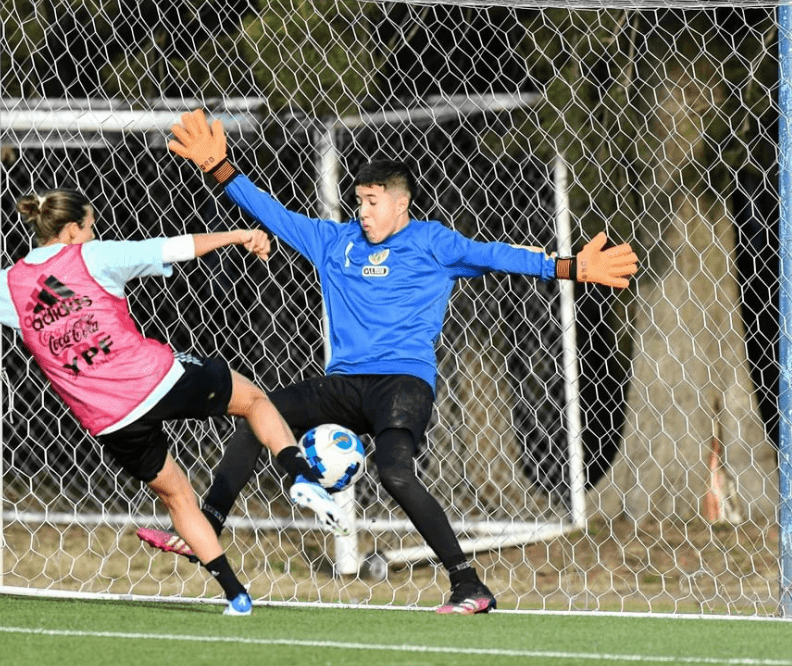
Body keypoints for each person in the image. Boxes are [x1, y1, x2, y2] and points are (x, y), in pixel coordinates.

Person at [152, 109, 639, 615]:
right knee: (257, 414)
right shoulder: (335, 242)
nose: (363, 211)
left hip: (402, 383)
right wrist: (222, 171)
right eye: (359, 201)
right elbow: (272, 212)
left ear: (401, 204)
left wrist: (571, 266)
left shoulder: (431, 241)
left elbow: (499, 254)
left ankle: (468, 583)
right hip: (344, 384)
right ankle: (207, 523)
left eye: (373, 201)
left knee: (395, 474)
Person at [0, 188, 348, 616]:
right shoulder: (94, 257)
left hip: (108, 419)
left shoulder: (8, 287)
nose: (94, 234)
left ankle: (236, 596)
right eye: (89, 227)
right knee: (255, 400)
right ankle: (299, 475)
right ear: (72, 231)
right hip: (155, 380)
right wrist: (239, 235)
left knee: (178, 498)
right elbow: (177, 247)